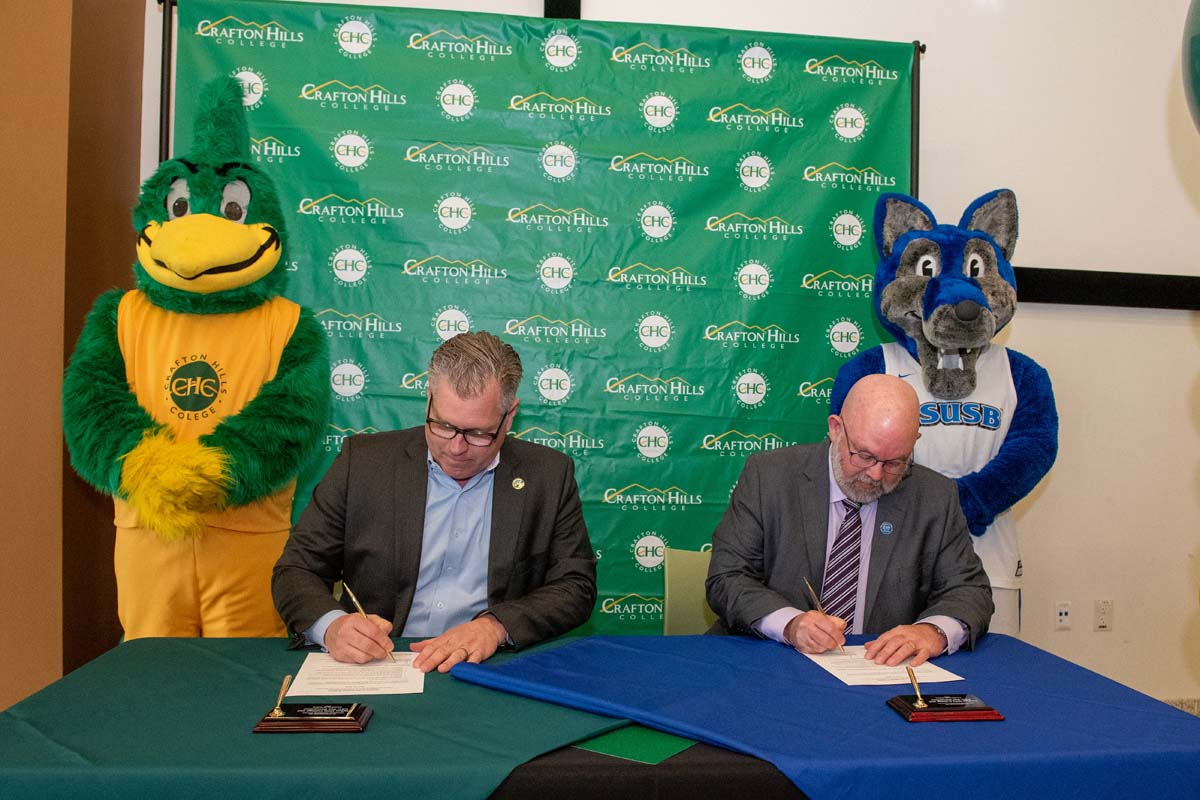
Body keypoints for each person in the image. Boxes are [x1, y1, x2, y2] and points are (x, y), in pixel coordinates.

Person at [272, 331, 596, 672]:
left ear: (510, 414)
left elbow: (576, 585)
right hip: (380, 663)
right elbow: (297, 569)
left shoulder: (548, 475)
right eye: (442, 425)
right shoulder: (364, 463)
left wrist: (496, 627)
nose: (456, 448)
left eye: (478, 433)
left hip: (489, 666)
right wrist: (332, 626)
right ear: (429, 398)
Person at [706, 374, 993, 666]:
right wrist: (789, 624)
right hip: (770, 660)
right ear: (835, 429)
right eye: (864, 456)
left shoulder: (935, 496)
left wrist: (933, 632)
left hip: (877, 670)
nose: (876, 474)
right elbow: (727, 577)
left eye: (894, 462)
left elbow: (970, 590)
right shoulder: (769, 476)